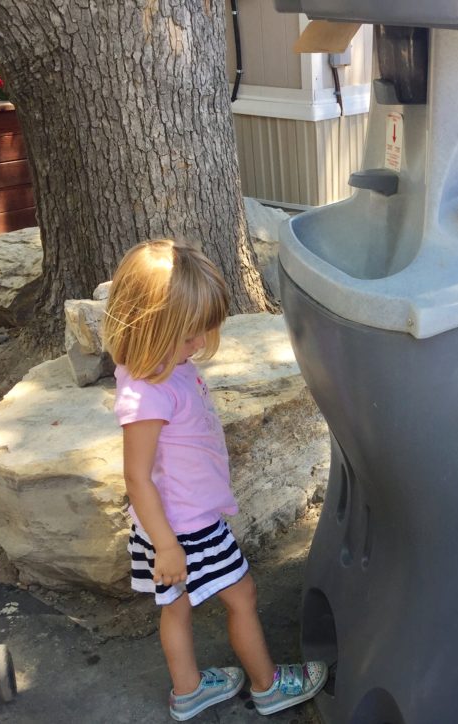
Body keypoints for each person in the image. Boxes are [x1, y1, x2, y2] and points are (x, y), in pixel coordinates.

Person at [103, 239, 327, 721]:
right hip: (185, 528)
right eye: (189, 336)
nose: (200, 344)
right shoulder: (148, 393)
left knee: (177, 607)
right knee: (242, 596)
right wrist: (167, 546)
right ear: (149, 326)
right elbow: (136, 477)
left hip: (171, 525)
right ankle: (268, 687)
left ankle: (188, 691)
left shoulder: (163, 367)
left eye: (204, 332)